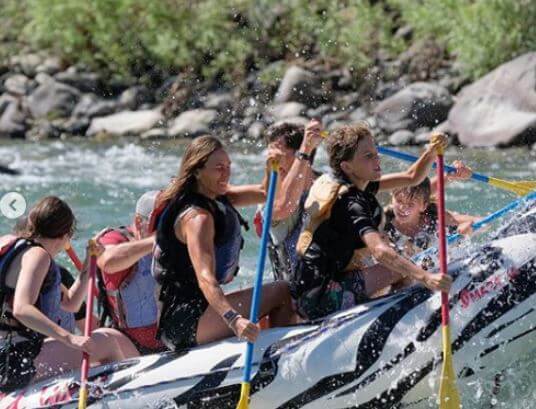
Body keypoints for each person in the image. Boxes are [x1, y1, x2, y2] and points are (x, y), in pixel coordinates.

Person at [293, 123, 453, 320]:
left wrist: (431, 151)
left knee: (397, 263)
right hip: (319, 298)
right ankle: (396, 320)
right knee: (399, 268)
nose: (377, 159)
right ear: (347, 166)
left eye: (376, 153)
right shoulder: (350, 202)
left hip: (308, 288)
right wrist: (426, 277)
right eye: (368, 156)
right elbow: (379, 250)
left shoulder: (351, 180)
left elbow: (412, 177)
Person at [152, 136, 298, 351]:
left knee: (279, 290)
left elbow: (266, 194)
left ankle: (268, 349)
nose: (226, 173)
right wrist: (234, 319)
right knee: (282, 292)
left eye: (228, 166)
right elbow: (205, 278)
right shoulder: (197, 218)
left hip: (200, 310)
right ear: (197, 171)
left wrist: (271, 169)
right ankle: (279, 355)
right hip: (186, 321)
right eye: (219, 168)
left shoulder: (217, 195)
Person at [0, 196, 139, 393]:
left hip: (8, 356)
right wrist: (70, 338)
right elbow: (22, 309)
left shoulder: (8, 244)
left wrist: (90, 261)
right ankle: (127, 396)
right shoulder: (38, 256)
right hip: (14, 363)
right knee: (107, 342)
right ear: (65, 236)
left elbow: (71, 303)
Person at [95, 191, 165, 354]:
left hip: (174, 335)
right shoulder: (115, 239)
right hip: (131, 345)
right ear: (139, 221)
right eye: (159, 222)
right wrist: (159, 240)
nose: (164, 228)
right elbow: (108, 261)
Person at [254, 120, 323, 281]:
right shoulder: (271, 197)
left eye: (278, 152)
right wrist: (305, 148)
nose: (272, 160)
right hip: (295, 291)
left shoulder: (326, 184)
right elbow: (284, 206)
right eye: (270, 154)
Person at [384, 170, 481, 260]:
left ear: (423, 206)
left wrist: (460, 233)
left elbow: (482, 222)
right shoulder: (382, 224)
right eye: (399, 201)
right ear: (392, 198)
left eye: (411, 204)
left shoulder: (433, 216)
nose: (402, 208)